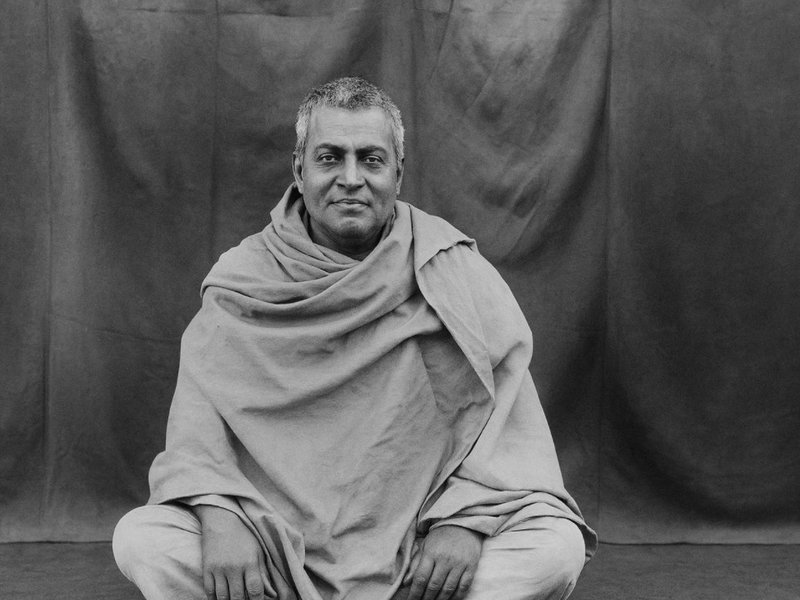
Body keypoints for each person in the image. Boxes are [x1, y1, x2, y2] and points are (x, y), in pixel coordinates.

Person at [113, 76, 597, 600]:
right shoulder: (244, 279)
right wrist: (220, 516)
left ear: (397, 173)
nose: (350, 178)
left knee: (555, 548)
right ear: (298, 170)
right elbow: (197, 432)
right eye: (329, 158)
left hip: (419, 549)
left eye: (371, 159)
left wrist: (465, 521)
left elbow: (508, 425)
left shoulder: (451, 268)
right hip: (274, 545)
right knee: (143, 539)